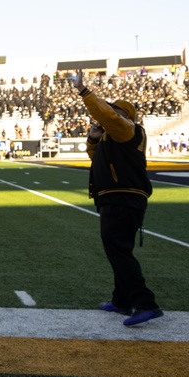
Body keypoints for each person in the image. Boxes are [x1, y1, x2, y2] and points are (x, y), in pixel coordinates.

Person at [73, 72, 162, 327]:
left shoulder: (128, 129)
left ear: (124, 115)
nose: (107, 115)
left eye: (114, 111)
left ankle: (146, 303)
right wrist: (93, 138)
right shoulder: (116, 136)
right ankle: (121, 300)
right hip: (118, 198)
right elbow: (97, 157)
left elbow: (108, 116)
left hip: (123, 198)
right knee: (119, 250)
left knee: (118, 250)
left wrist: (84, 91)